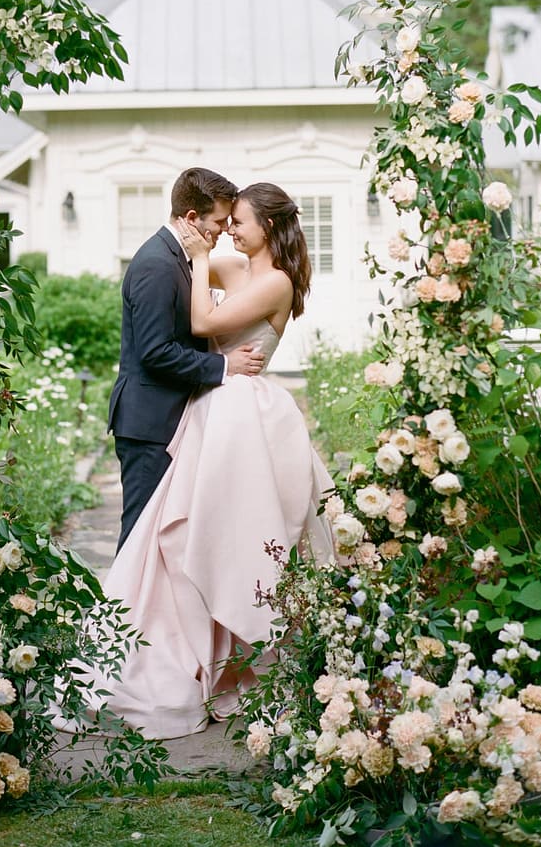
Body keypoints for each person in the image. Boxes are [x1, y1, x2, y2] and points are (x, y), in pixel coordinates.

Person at [103, 182, 336, 739]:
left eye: (240, 221)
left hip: (241, 413)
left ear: (270, 228)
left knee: (228, 534)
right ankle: (168, 649)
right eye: (224, 220)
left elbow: (206, 324)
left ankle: (225, 650)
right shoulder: (231, 266)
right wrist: (192, 249)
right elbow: (185, 292)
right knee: (185, 530)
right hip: (209, 408)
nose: (229, 229)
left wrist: (203, 252)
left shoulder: (275, 280)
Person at [108, 167, 266, 552]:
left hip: (170, 419)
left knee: (163, 539)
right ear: (192, 218)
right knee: (139, 538)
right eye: (218, 221)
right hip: (149, 424)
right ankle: (121, 612)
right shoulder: (156, 265)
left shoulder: (181, 259)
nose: (223, 231)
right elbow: (155, 351)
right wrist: (225, 365)